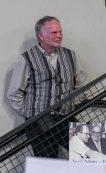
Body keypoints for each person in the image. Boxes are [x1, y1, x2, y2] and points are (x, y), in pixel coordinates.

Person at [7, 16, 88, 157]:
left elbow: (82, 84)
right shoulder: (26, 58)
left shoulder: (71, 55)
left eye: (60, 32)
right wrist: (30, 112)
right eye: (54, 33)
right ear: (40, 36)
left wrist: (71, 103)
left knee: (94, 153)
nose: (59, 36)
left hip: (65, 117)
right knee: (47, 163)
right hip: (39, 121)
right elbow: (14, 93)